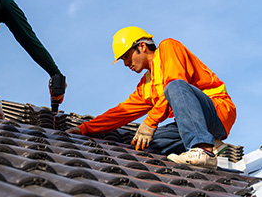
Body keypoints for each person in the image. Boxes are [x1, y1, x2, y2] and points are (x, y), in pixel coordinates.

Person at [68, 26, 236, 169]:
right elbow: (121, 112)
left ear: (141, 46)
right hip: (192, 124)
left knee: (174, 86)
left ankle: (204, 150)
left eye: (126, 56)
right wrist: (85, 129)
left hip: (217, 111)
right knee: (146, 144)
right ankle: (208, 142)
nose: (126, 64)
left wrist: (150, 121)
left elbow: (175, 83)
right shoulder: (146, 86)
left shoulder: (168, 48)